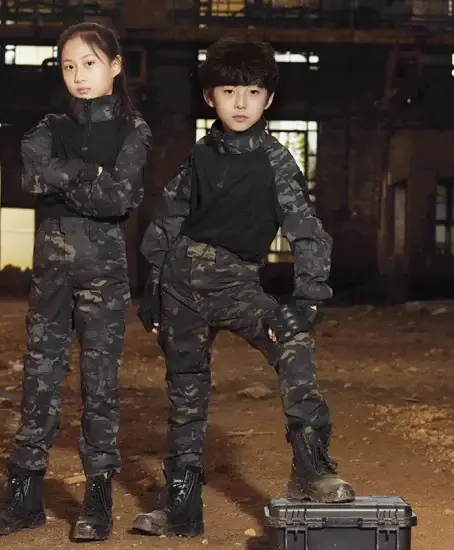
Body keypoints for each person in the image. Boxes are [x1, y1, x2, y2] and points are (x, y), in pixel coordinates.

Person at [133, 37, 355, 538]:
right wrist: (152, 289)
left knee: (294, 345)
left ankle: (311, 469)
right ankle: (180, 506)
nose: (240, 103)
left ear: (268, 99)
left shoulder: (276, 163)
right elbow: (166, 222)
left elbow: (307, 233)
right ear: (209, 96)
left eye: (252, 92)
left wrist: (307, 301)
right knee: (186, 395)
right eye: (229, 91)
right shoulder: (197, 158)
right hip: (180, 287)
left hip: (237, 286)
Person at [0, 21, 151, 541]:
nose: (79, 75)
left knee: (100, 386)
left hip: (104, 275)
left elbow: (121, 199)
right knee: (39, 380)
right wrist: (89, 172)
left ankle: (97, 501)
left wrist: (66, 178)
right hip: (51, 275)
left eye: (90, 64)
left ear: (115, 67)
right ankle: (23, 498)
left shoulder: (133, 131)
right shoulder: (47, 129)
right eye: (69, 65)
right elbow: (34, 177)